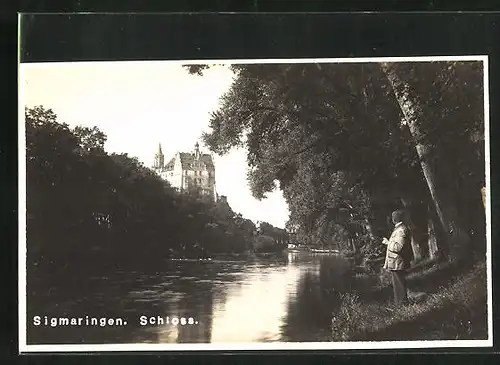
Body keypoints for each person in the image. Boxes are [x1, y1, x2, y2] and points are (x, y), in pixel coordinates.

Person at [382, 209, 413, 304]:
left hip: (398, 261)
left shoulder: (401, 230)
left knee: (399, 283)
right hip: (396, 261)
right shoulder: (400, 229)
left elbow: (398, 247)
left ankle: (402, 303)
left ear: (394, 219)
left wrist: (388, 243)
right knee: (397, 283)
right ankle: (400, 303)